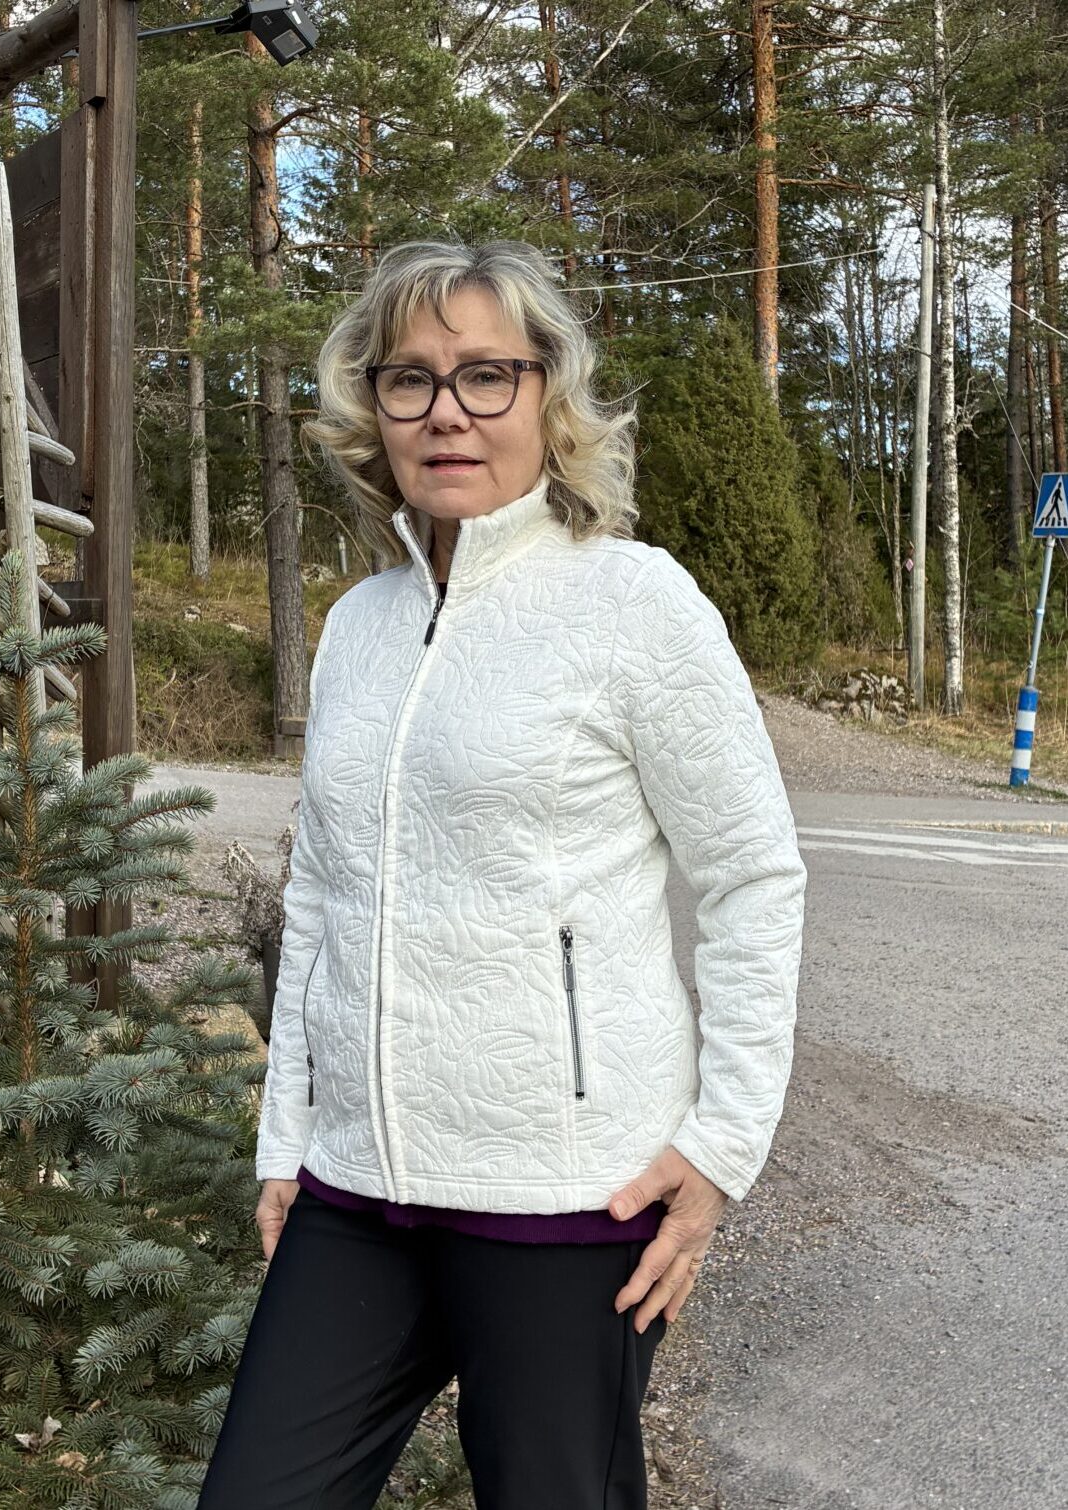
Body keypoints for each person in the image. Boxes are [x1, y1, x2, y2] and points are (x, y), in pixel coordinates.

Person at [197, 240, 807, 1509]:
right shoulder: (357, 628)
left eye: (486, 374)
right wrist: (288, 1137)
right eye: (410, 379)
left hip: (566, 1194)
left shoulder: (635, 604)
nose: (447, 412)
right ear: (373, 407)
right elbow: (321, 899)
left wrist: (719, 1147)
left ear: (547, 396)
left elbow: (751, 875)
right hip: (358, 1193)